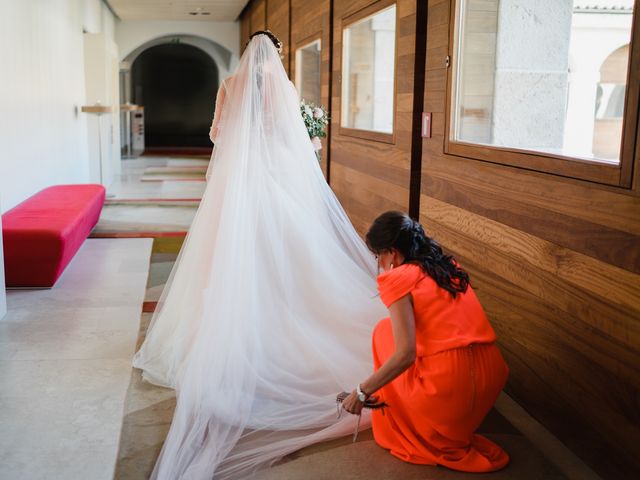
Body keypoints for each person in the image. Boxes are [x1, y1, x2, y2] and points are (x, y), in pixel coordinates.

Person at [132, 31, 386, 479]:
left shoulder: (229, 84)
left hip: (238, 188)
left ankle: (239, 319)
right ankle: (286, 315)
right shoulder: (283, 86)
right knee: (289, 255)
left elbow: (217, 134)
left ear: (248, 51)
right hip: (276, 183)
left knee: (232, 254)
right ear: (278, 54)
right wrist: (307, 139)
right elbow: (291, 142)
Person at [340, 211, 510, 472]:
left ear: (393, 253)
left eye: (378, 256)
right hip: (491, 374)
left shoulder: (396, 278)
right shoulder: (448, 267)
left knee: (383, 334)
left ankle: (415, 425)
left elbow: (406, 355)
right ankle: (443, 421)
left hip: (450, 386)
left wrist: (361, 392)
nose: (380, 263)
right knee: (389, 330)